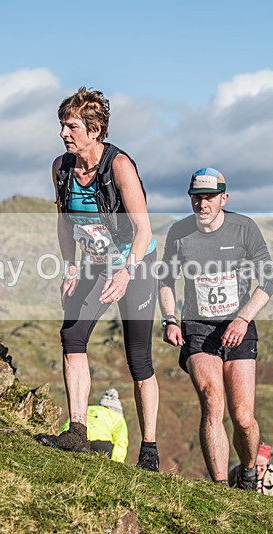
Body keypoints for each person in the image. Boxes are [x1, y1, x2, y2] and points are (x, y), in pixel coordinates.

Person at [35, 87, 161, 471]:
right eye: (61, 125)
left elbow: (143, 229)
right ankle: (76, 432)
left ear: (95, 129)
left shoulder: (118, 165)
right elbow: (62, 222)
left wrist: (126, 272)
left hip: (135, 263)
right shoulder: (61, 168)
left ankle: (150, 451)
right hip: (92, 263)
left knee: (138, 358)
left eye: (71, 126)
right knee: (72, 336)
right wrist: (69, 265)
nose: (63, 133)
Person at [158, 168, 273, 488]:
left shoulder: (244, 228)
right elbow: (166, 280)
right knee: (212, 400)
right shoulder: (179, 233)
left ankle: (249, 473)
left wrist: (243, 318)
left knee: (242, 416)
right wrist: (169, 319)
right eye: (196, 197)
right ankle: (221, 486)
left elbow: (268, 280)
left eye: (209, 197)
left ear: (224, 198)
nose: (202, 204)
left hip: (238, 326)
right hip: (198, 327)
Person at [59, 388, 129, 463]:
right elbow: (121, 441)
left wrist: (60, 442)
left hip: (80, 440)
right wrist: (117, 462)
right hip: (102, 445)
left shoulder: (86, 409)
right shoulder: (117, 417)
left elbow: (68, 425)